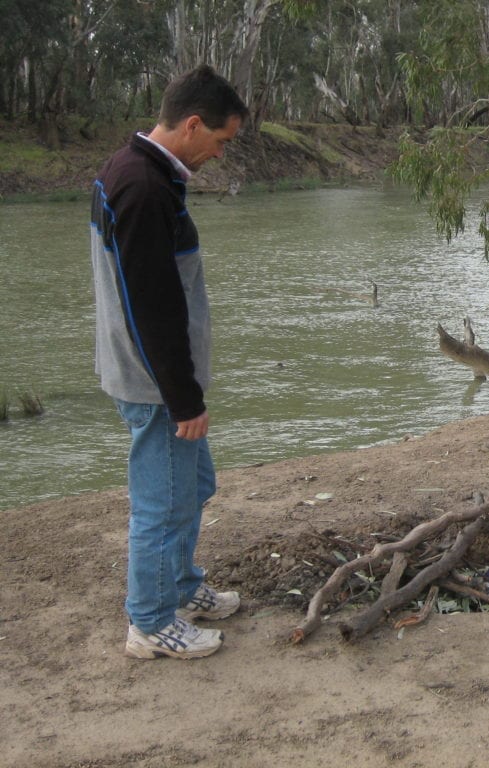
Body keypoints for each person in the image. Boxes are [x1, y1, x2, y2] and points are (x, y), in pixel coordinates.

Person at [90, 65, 249, 659]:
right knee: (162, 501)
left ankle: (179, 588)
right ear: (191, 124)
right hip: (153, 382)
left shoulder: (139, 172)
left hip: (154, 375)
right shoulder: (143, 187)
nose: (219, 152)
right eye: (220, 139)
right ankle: (151, 622)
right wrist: (183, 397)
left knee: (192, 485)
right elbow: (151, 305)